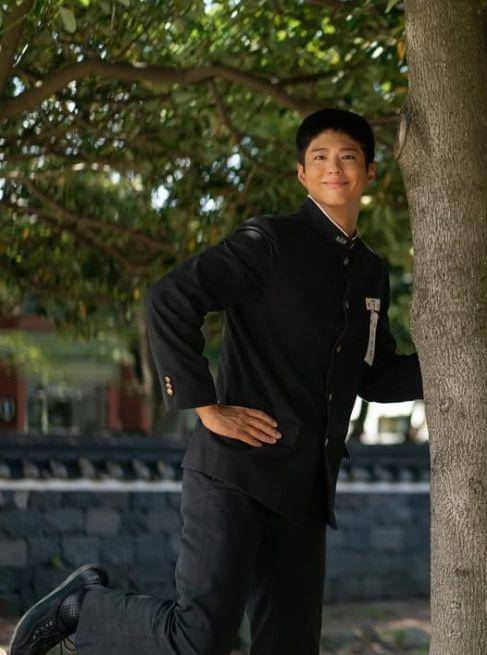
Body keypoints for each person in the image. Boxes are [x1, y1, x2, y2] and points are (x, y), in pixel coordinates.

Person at [10, 108, 422, 655]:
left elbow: (375, 375)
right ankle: (81, 608)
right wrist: (206, 406)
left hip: (305, 490)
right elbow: (169, 298)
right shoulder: (269, 241)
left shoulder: (370, 271)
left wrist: (481, 370)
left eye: (348, 157)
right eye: (320, 157)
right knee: (202, 638)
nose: (334, 168)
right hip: (235, 473)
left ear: (370, 171)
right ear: (301, 172)